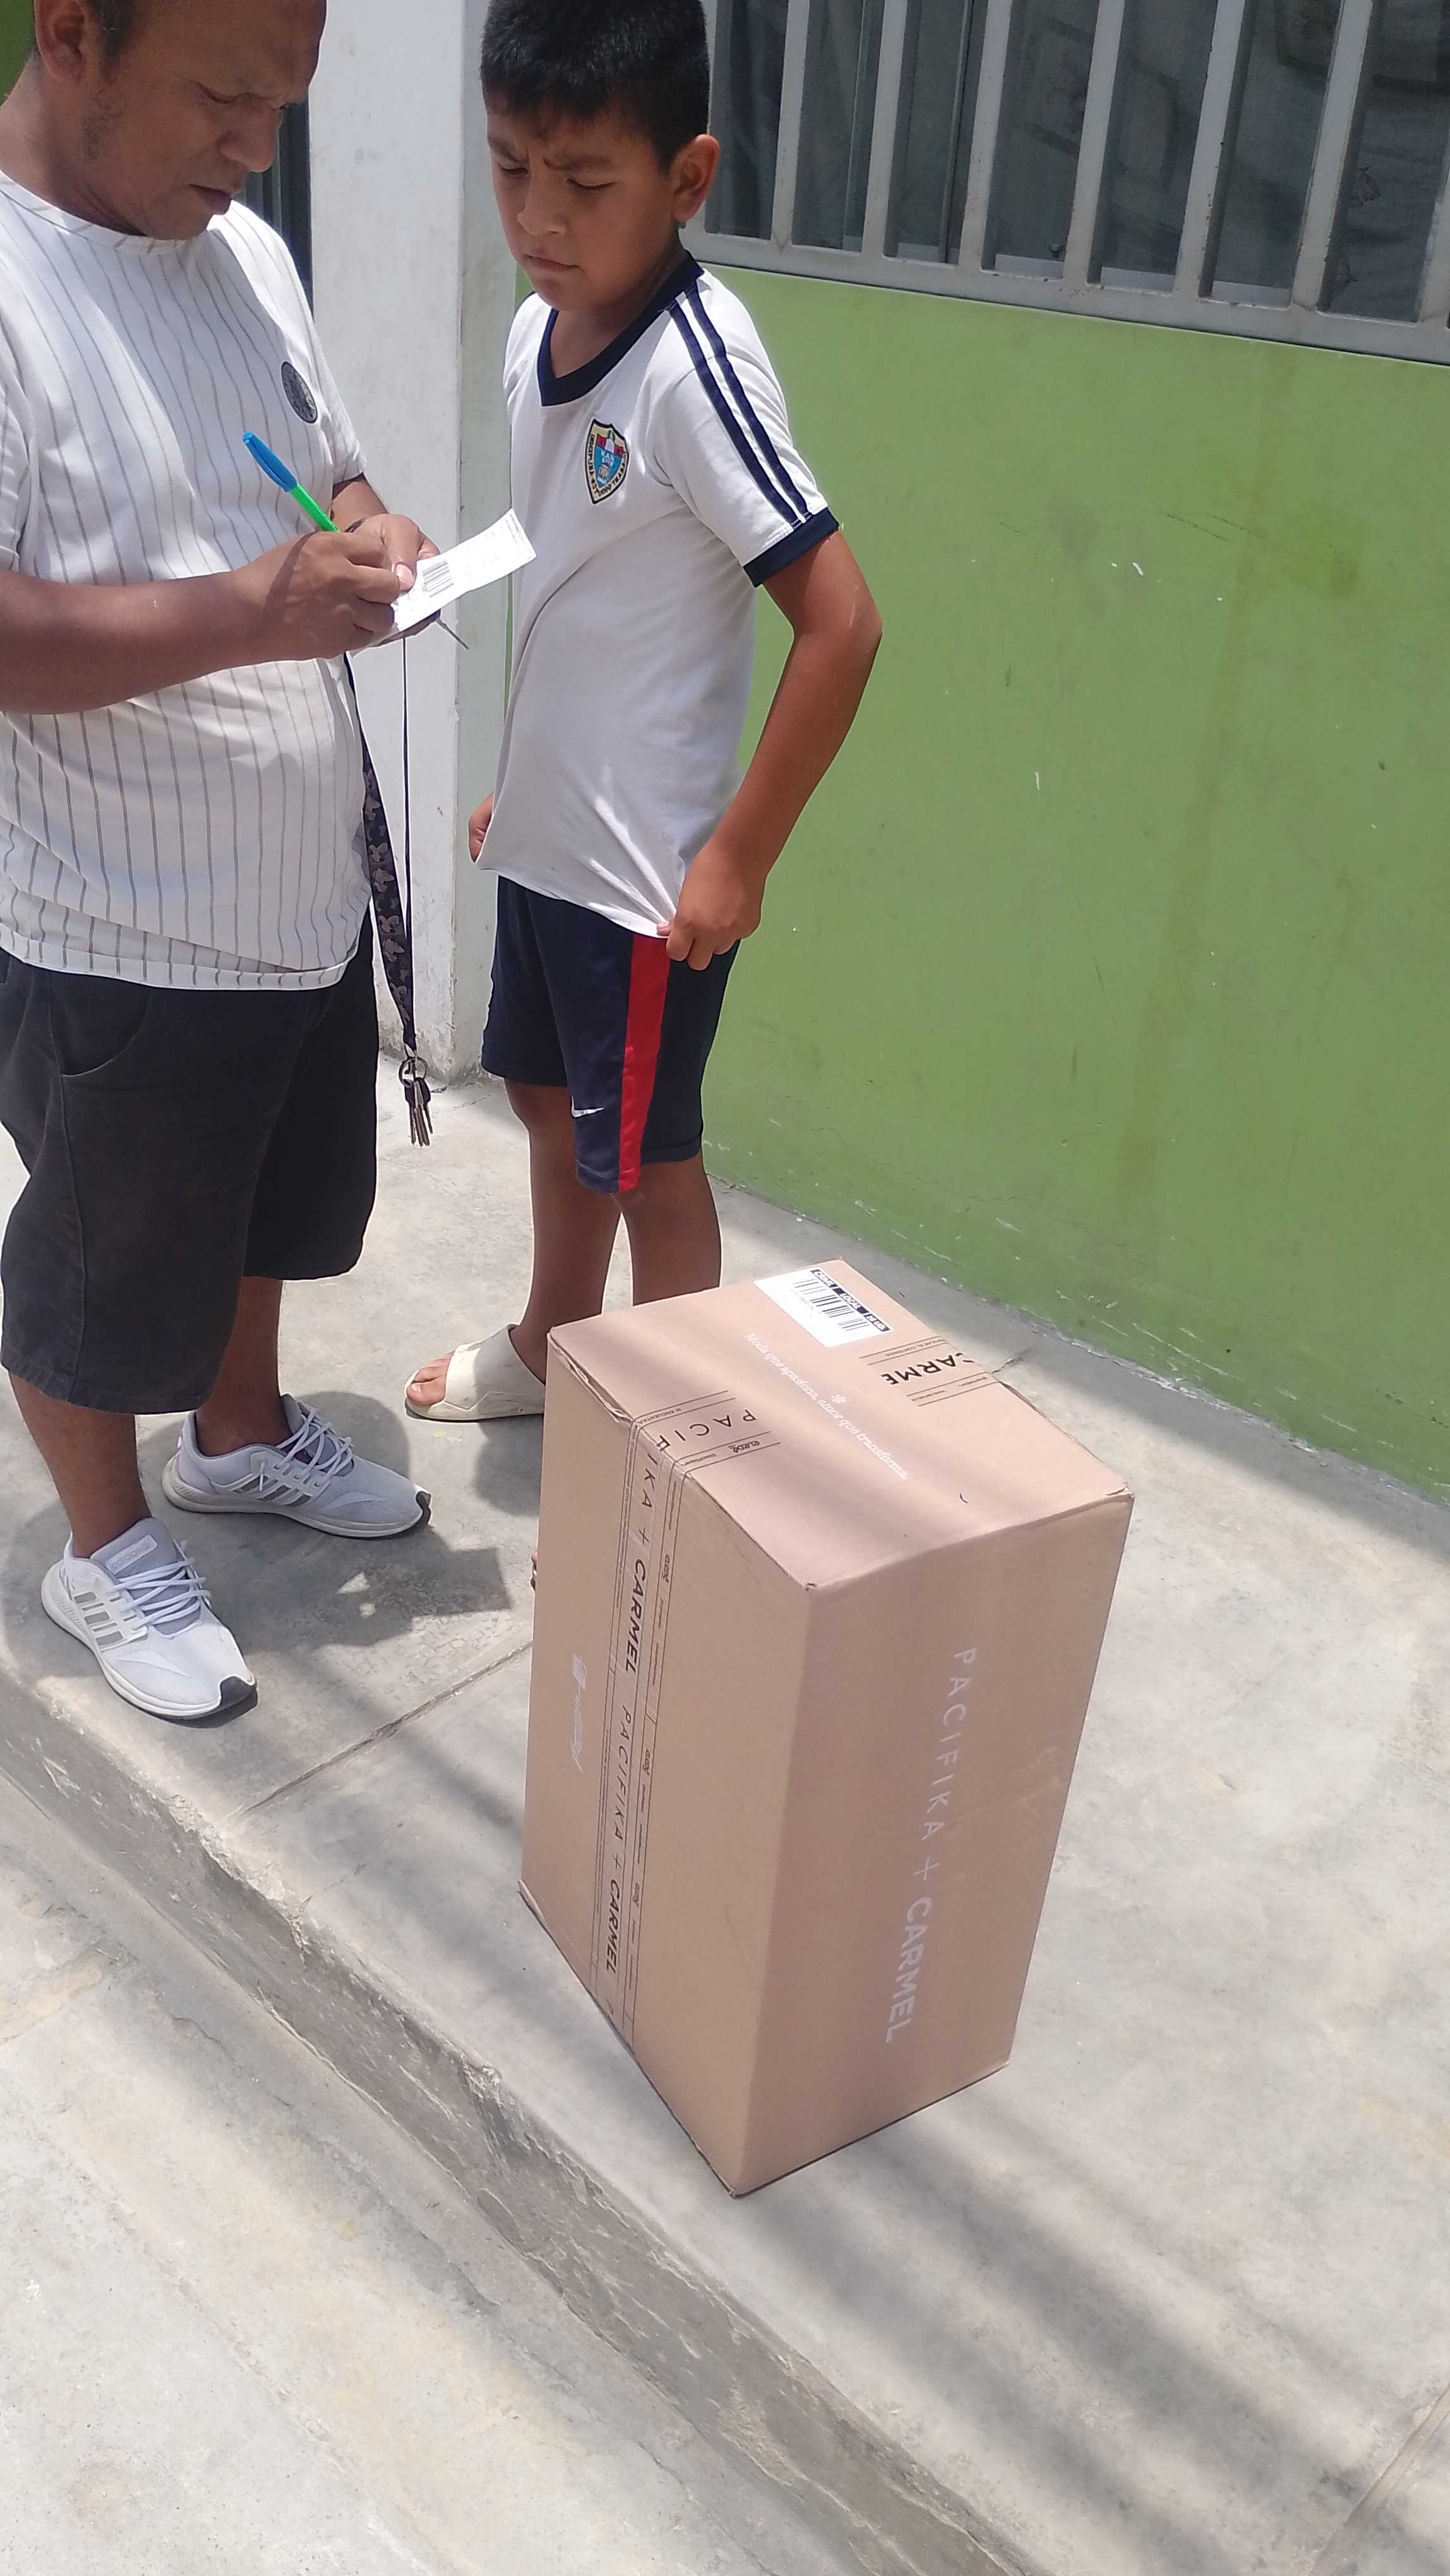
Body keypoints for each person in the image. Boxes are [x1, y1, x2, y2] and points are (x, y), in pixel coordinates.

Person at [0, 0, 433, 1726]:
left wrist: (371, 531)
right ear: (73, 32)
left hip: (295, 895)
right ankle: (103, 1544)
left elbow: (329, 470)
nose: (257, 147)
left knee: (264, 1208)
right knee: (104, 1269)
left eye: (286, 104)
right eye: (224, 98)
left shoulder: (244, 251)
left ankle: (237, 1436)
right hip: (122, 920)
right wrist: (258, 611)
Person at [406, 0, 881, 1427]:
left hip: (645, 889)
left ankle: (669, 1440)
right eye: (510, 168)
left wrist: (737, 857)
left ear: (686, 178)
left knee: (651, 1167)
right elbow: (578, 579)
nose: (538, 218)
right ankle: (554, 1342)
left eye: (584, 181)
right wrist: (524, 783)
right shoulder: (532, 334)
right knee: (547, 1108)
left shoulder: (694, 366)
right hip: (552, 843)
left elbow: (843, 624)